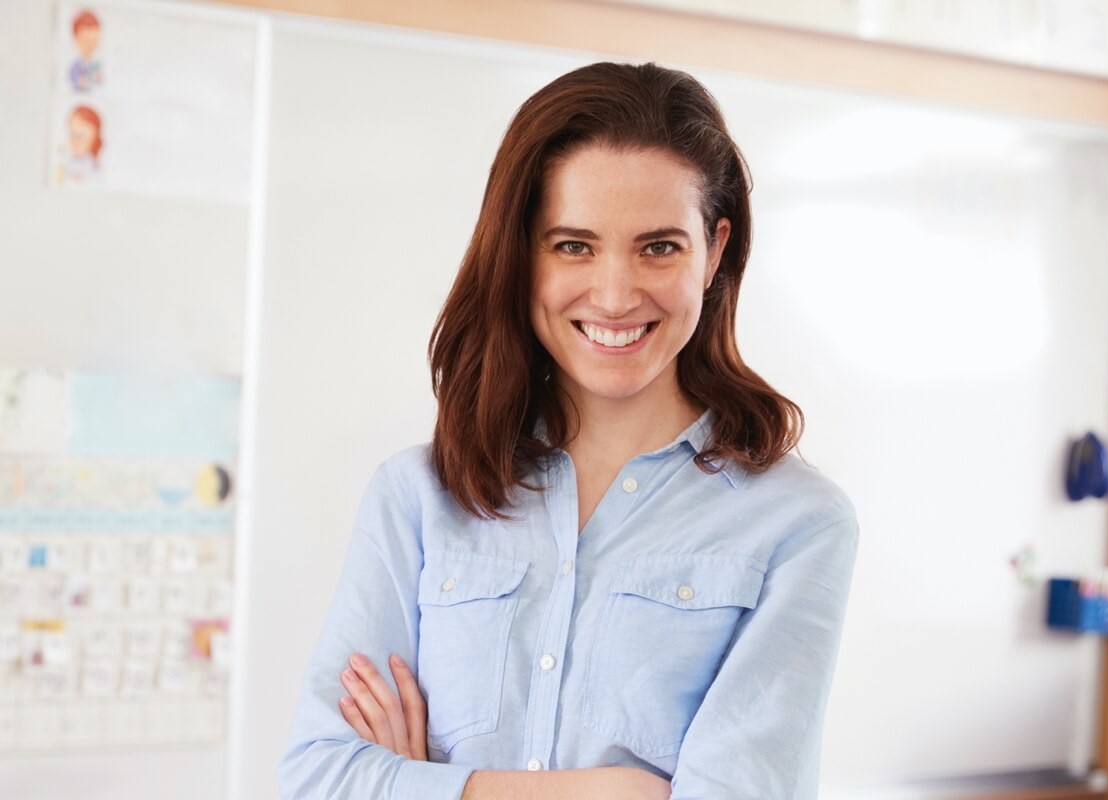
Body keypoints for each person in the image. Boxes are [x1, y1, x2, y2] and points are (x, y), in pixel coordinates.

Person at [278, 61, 857, 800]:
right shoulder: (418, 497)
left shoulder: (799, 525)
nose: (615, 295)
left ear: (714, 250)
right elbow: (319, 778)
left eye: (659, 247)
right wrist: (621, 789)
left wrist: (428, 784)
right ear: (521, 254)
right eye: (573, 246)